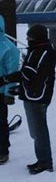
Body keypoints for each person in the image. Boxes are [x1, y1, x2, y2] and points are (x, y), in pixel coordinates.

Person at [0, 25, 56, 174]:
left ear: (37, 37)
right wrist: (21, 88)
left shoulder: (42, 52)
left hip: (37, 98)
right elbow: (32, 76)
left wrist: (6, 79)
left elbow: (31, 74)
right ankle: (42, 160)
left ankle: (45, 162)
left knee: (39, 131)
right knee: (36, 131)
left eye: (30, 36)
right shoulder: (38, 50)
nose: (27, 39)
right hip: (33, 94)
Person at [0, 15, 20, 165]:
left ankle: (3, 151)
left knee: (0, 123)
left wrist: (9, 94)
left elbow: (12, 73)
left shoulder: (9, 48)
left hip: (1, 93)